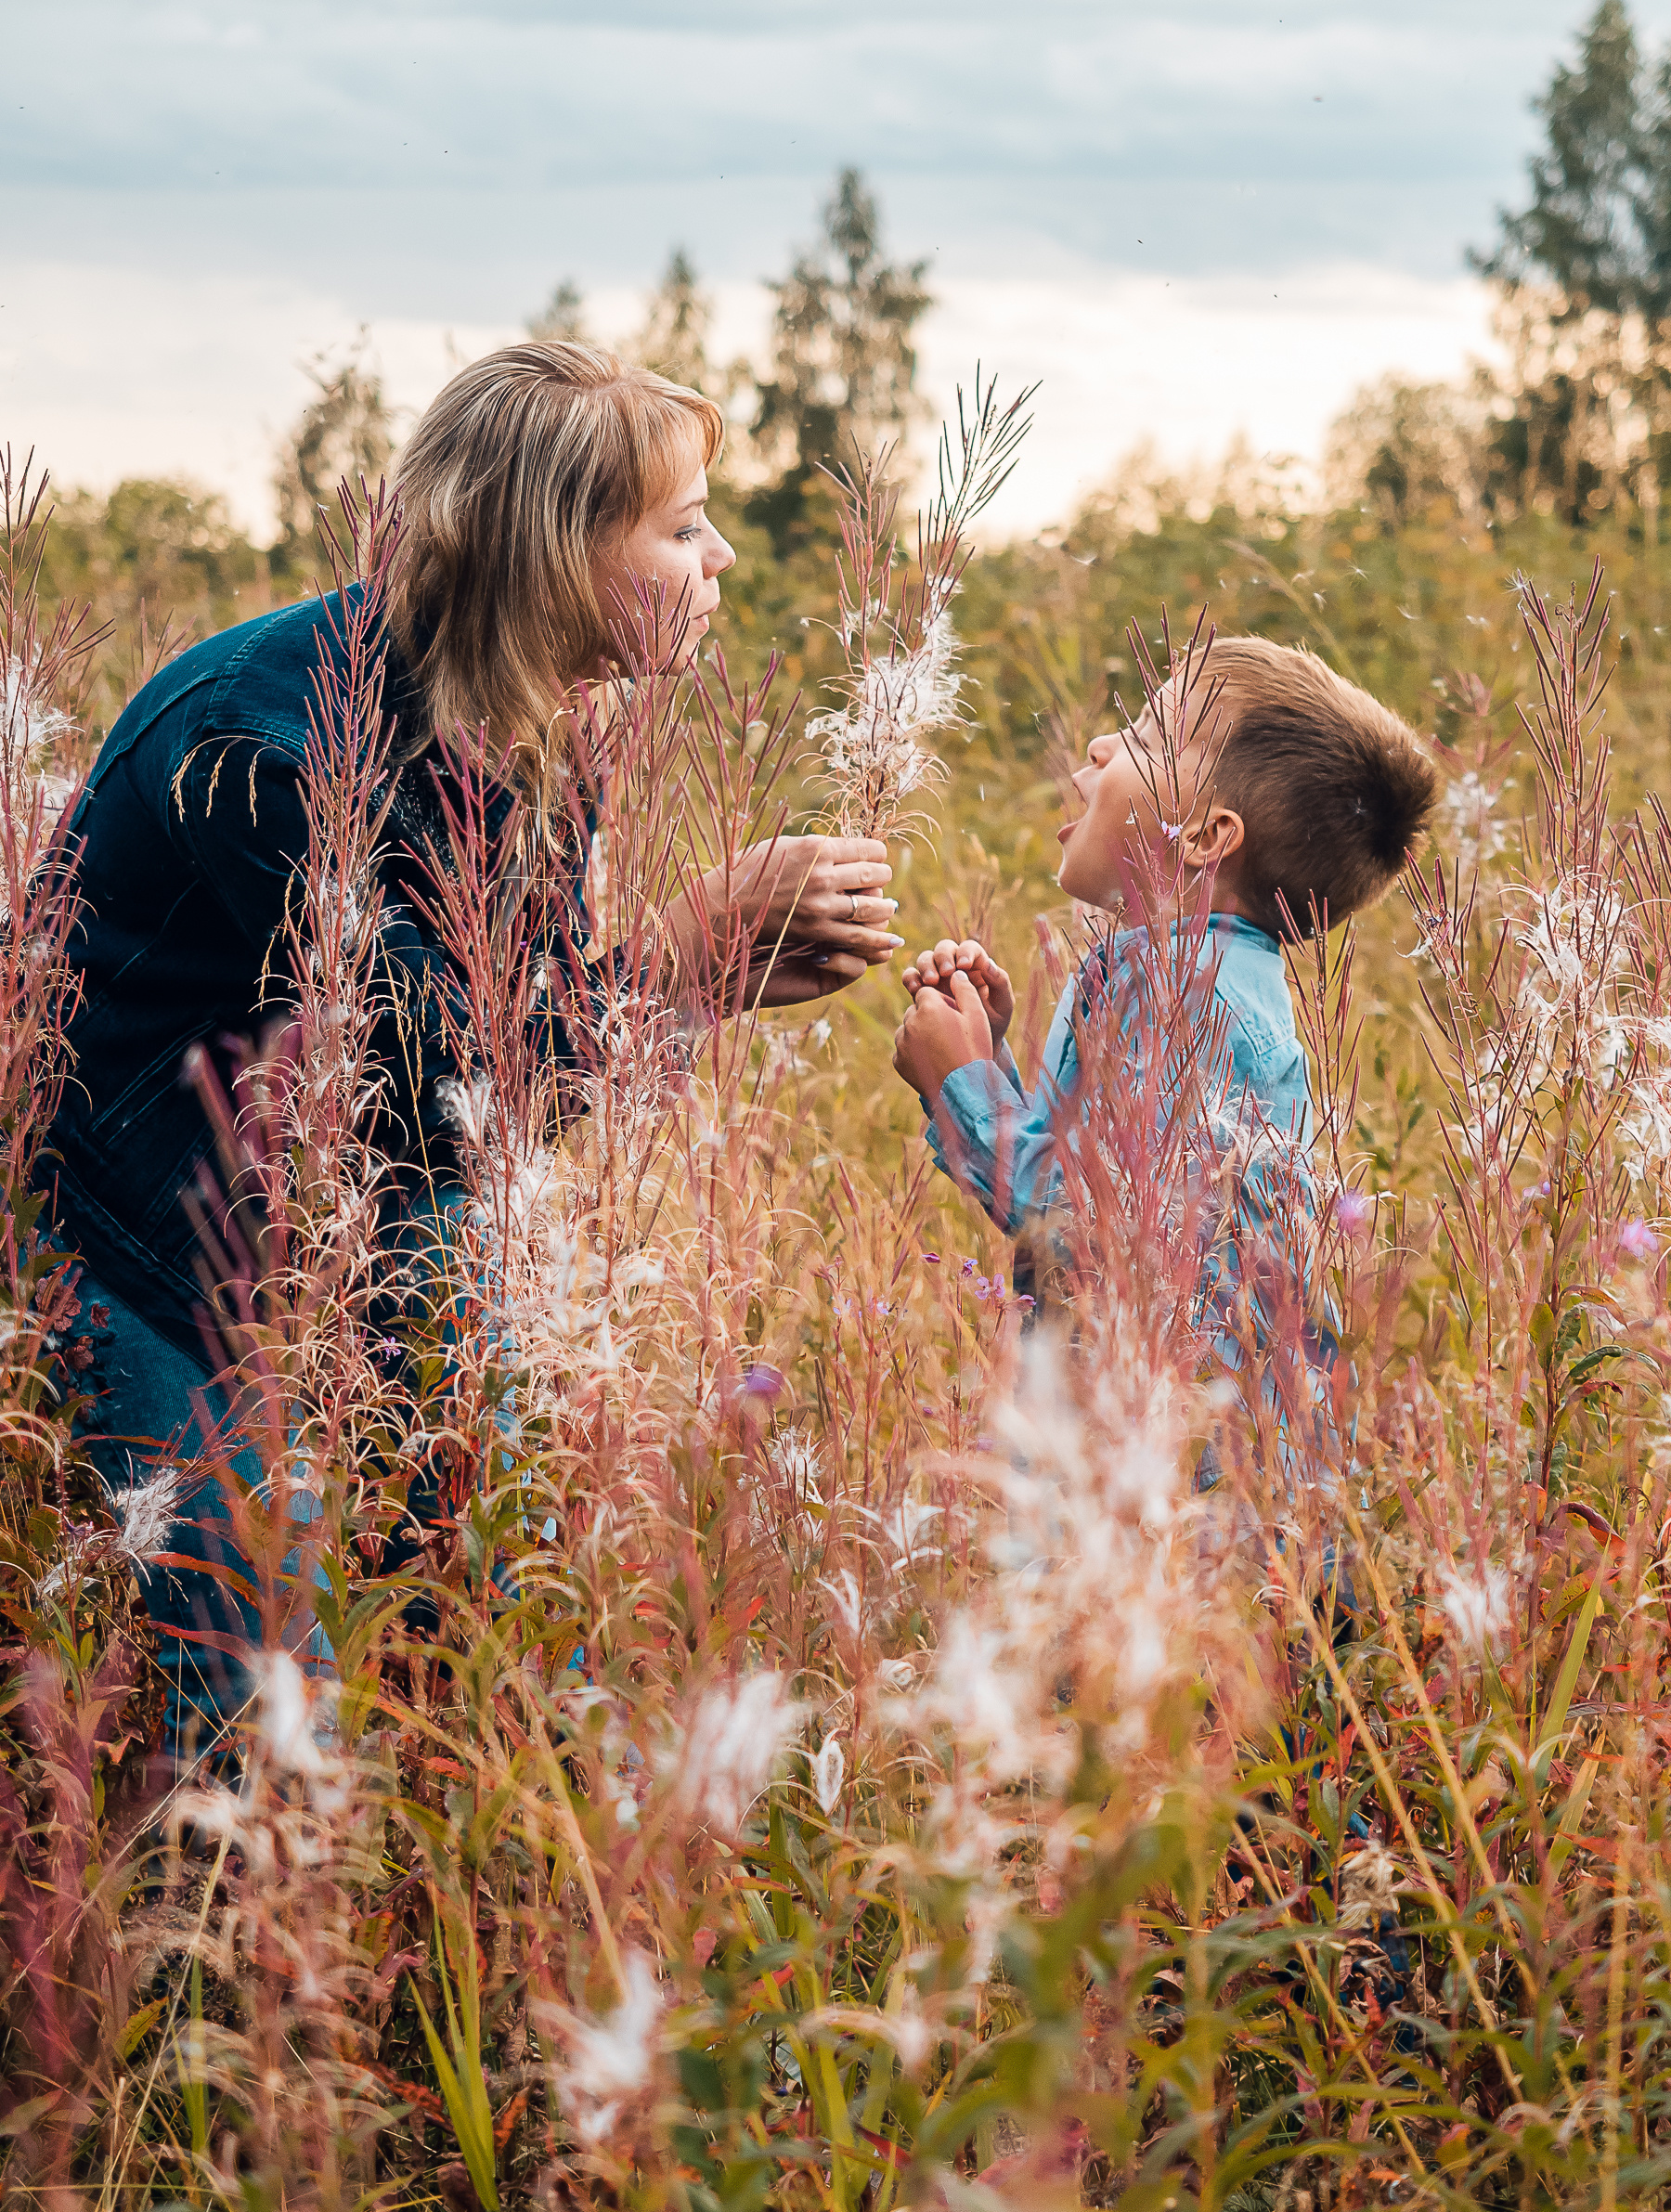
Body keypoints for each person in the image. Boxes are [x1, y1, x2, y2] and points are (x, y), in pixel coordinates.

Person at [50, 340, 903, 1757]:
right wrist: (682, 961)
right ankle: (231, 1964)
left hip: (373, 1201)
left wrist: (697, 991)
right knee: (266, 1694)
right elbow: (431, 1071)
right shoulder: (269, 752)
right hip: (137, 1233)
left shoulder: (555, 716)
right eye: (685, 529)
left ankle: (494, 1925)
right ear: (559, 555)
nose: (728, 557)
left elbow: (506, 1072)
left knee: (498, 1600)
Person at [890, 636, 1436, 1384]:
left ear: (1207, 838)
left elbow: (1093, 1229)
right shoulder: (1174, 978)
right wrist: (986, 1056)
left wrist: (963, 1085)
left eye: (1146, 736)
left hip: (1184, 1470)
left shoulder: (1192, 1000)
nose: (1101, 742)